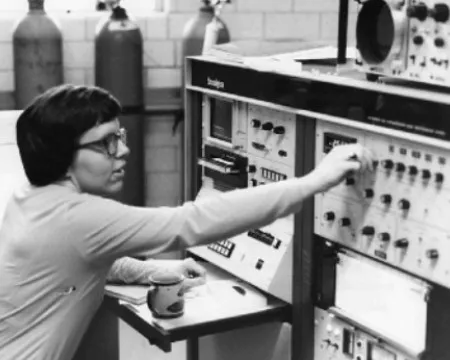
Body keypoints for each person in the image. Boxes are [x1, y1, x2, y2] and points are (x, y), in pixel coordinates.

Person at [0, 84, 374, 360]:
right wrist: (315, 181)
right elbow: (190, 221)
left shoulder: (30, 199)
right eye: (108, 143)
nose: (124, 150)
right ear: (65, 156)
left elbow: (79, 262)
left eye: (121, 135)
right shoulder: (78, 218)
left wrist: (151, 272)